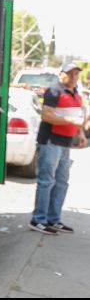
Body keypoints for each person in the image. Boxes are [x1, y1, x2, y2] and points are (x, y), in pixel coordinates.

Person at [29, 62, 88, 235]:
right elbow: (47, 115)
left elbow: (76, 116)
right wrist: (71, 122)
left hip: (65, 143)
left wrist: (81, 134)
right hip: (51, 141)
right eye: (70, 74)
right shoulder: (54, 90)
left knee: (62, 182)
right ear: (61, 74)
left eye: (76, 74)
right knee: (46, 181)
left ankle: (53, 219)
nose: (73, 77)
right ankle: (38, 219)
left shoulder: (75, 93)